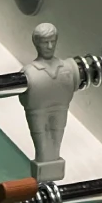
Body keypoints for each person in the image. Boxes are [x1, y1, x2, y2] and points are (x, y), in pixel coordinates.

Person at [20, 23, 79, 181]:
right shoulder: (30, 71)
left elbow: (70, 86)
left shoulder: (65, 66)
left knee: (56, 138)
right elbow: (24, 98)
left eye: (53, 41)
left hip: (60, 108)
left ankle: (53, 170)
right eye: (45, 42)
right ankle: (44, 172)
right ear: (36, 43)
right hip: (37, 111)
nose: (50, 46)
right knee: (42, 144)